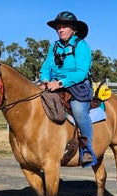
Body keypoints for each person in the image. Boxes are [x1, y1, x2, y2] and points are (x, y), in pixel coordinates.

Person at [39, 11, 96, 167]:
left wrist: (60, 83)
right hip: (53, 85)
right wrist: (45, 79)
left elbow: (81, 72)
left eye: (64, 26)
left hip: (78, 86)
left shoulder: (81, 45)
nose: (60, 30)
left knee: (78, 110)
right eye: (58, 27)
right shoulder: (54, 46)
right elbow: (45, 67)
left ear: (73, 29)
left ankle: (87, 149)